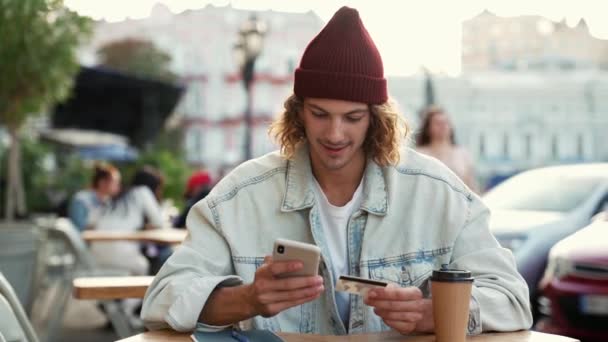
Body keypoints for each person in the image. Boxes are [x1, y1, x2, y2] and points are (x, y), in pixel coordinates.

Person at [142, 6, 531, 336]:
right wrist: (245, 299)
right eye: (319, 114)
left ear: (376, 119)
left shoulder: (439, 192)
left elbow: (513, 298)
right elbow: (163, 298)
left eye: (353, 117)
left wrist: (438, 314)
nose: (334, 133)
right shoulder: (239, 197)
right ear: (297, 113)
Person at [90, 166, 165, 276]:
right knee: (149, 264)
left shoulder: (117, 196)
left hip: (96, 257)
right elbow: (159, 223)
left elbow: (93, 222)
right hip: (122, 257)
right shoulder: (143, 192)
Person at [416, 106, 479, 192]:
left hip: (459, 203)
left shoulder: (462, 154)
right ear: (428, 128)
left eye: (446, 122)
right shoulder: (420, 154)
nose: (443, 126)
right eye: (438, 123)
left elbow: (472, 186)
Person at [68, 163, 121, 232]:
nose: (118, 186)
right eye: (115, 182)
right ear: (102, 182)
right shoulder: (81, 200)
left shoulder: (108, 202)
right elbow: (78, 228)